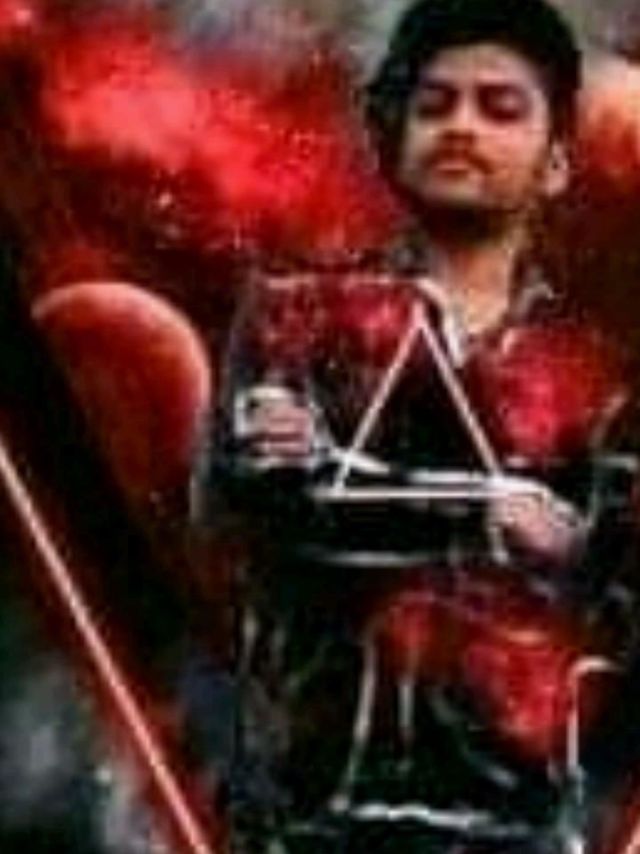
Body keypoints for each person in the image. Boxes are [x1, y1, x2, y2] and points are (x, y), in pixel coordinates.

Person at [192, 0, 640, 850]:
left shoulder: (606, 381)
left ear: (556, 161)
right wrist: (488, 517)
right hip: (307, 822)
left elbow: (621, 601)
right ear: (392, 136)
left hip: (517, 827)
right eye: (435, 105)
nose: (460, 127)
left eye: (499, 108)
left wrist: (573, 558)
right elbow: (250, 516)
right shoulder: (296, 324)